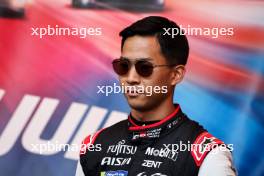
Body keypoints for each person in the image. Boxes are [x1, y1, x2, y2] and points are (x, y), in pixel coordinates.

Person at [75, 16, 237, 176]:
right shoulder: (95, 145)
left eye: (144, 67)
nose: (131, 78)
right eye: (123, 66)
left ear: (176, 75)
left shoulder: (207, 155)